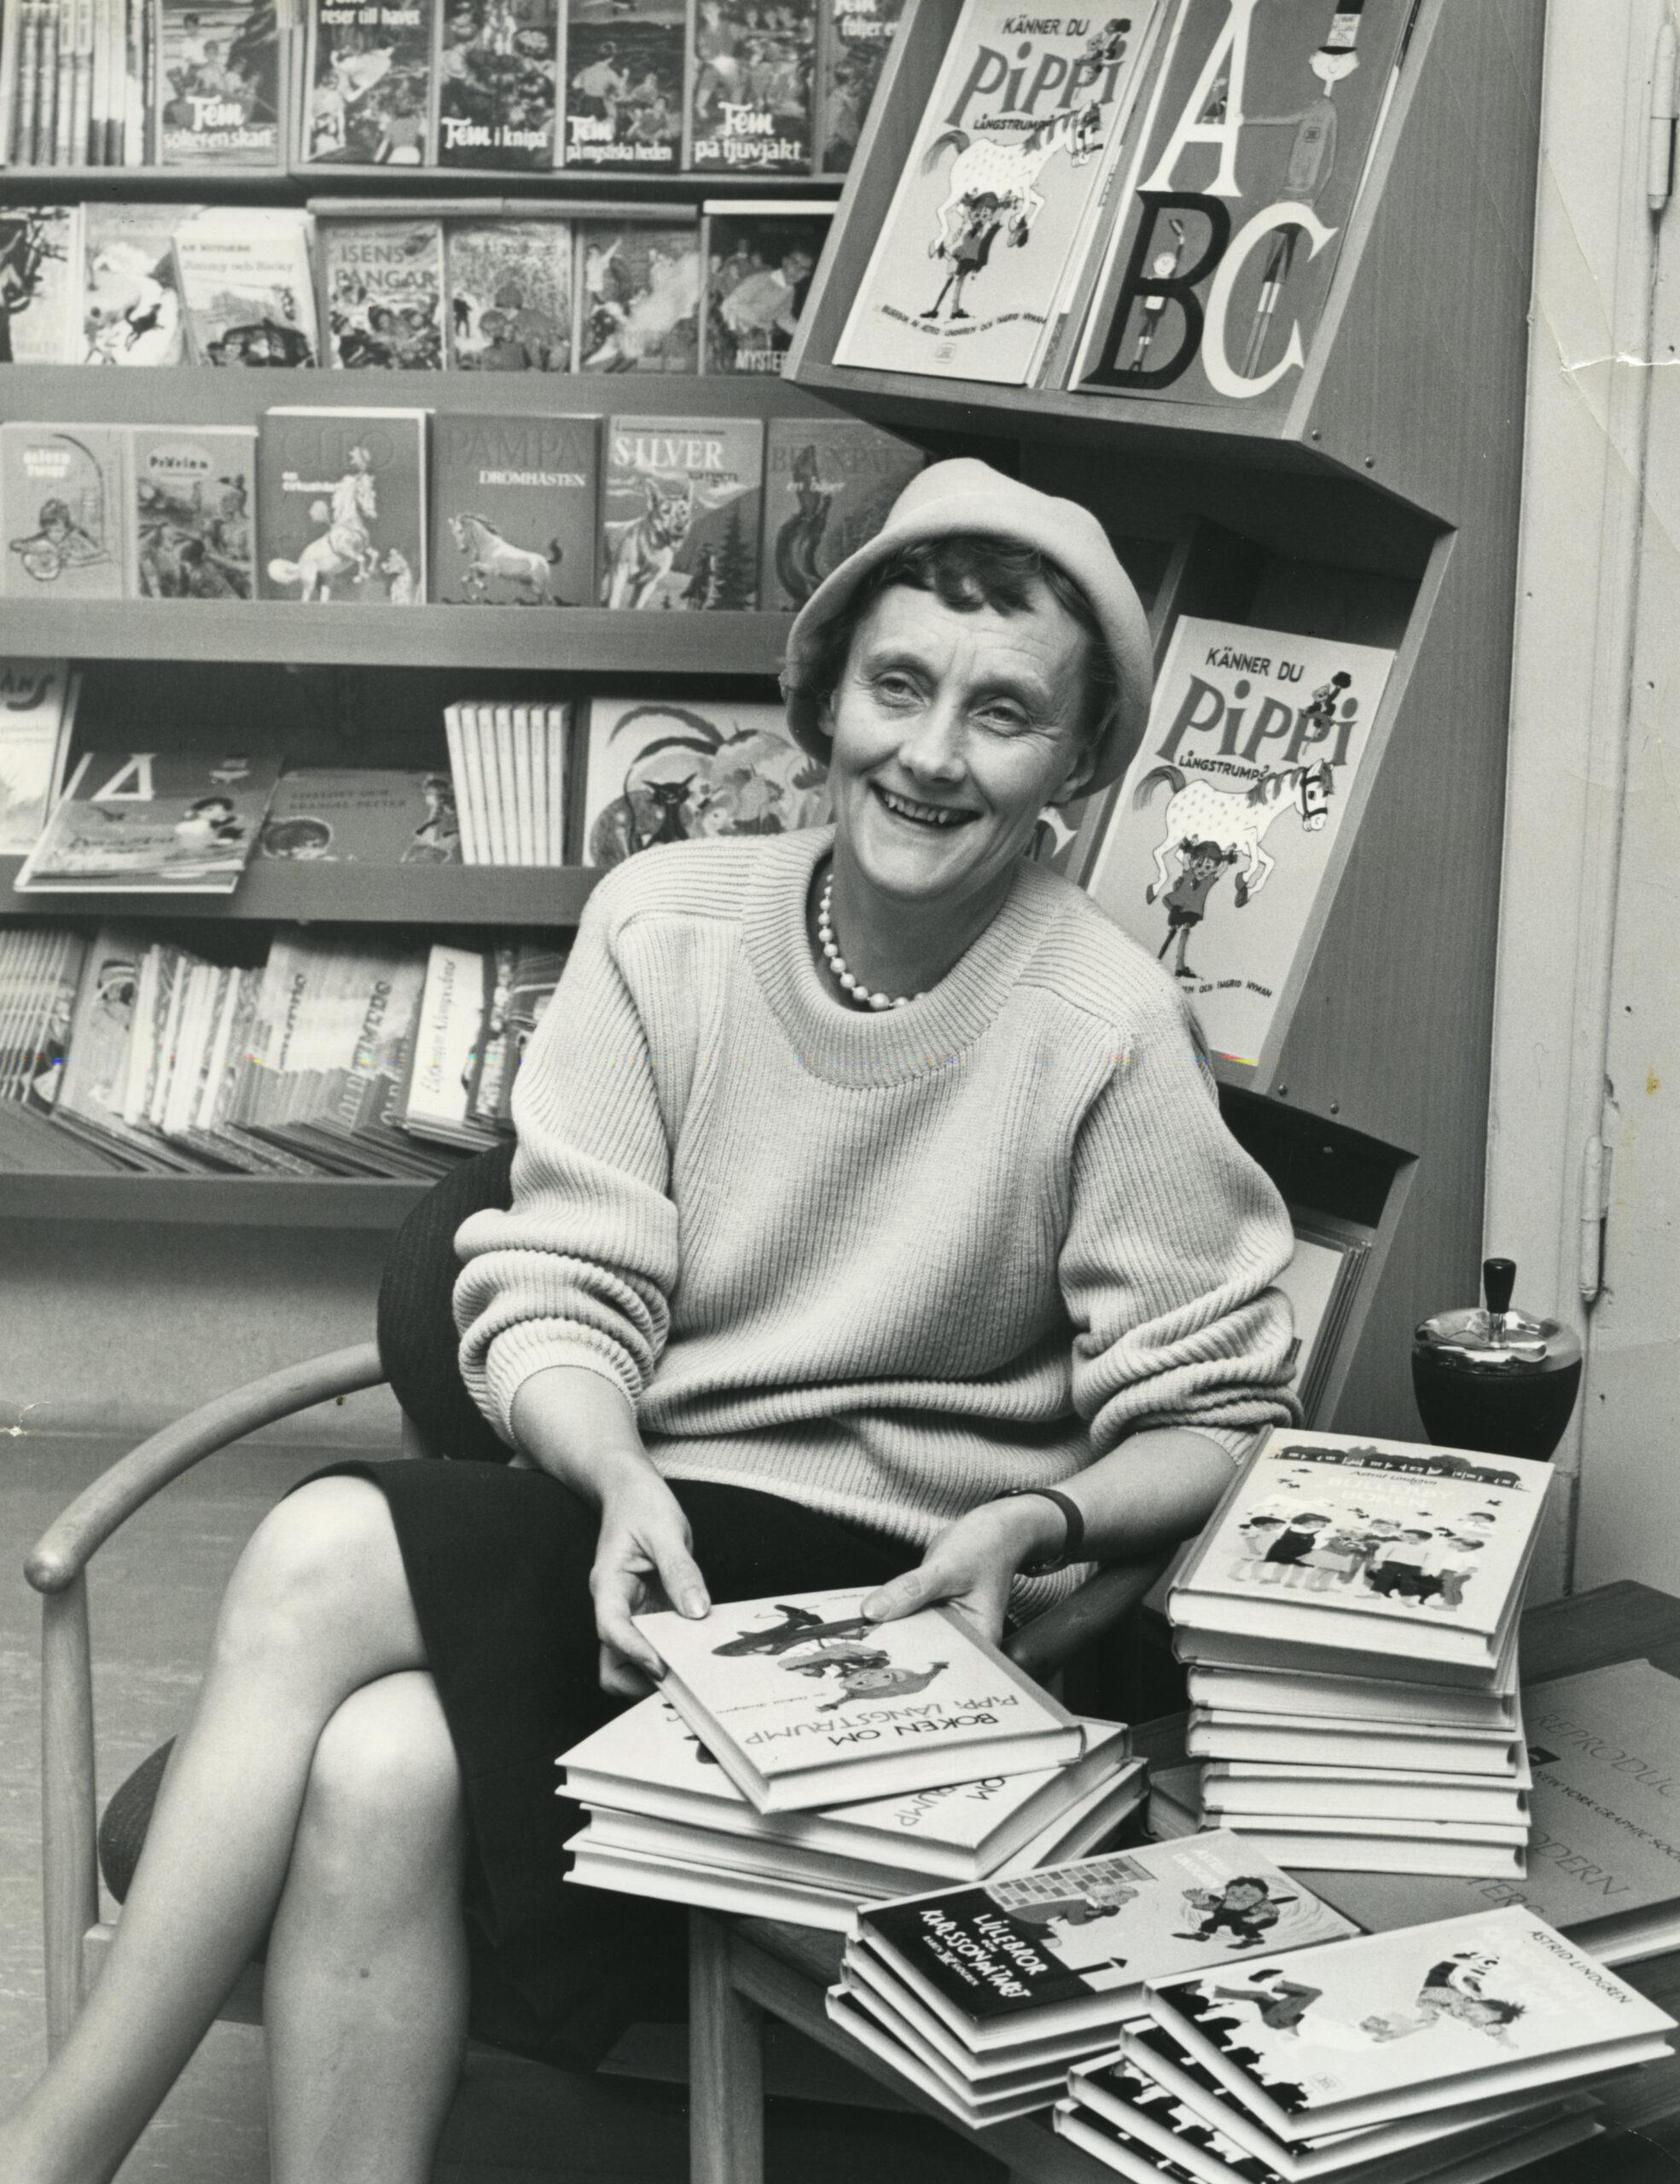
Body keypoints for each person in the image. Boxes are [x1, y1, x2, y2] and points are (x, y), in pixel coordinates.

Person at [0, 458, 1299, 2184]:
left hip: (897, 1600)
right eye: (896, 685)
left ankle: (45, 2154)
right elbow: (560, 1277)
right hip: (652, 1535)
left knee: (321, 1548)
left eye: (1003, 714)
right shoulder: (663, 925)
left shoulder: (1110, 1020)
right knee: (380, 1758)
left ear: (1074, 767)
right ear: (823, 693)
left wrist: (1037, 1516)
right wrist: (610, 1473)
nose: (928, 752)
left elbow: (1210, 1417)